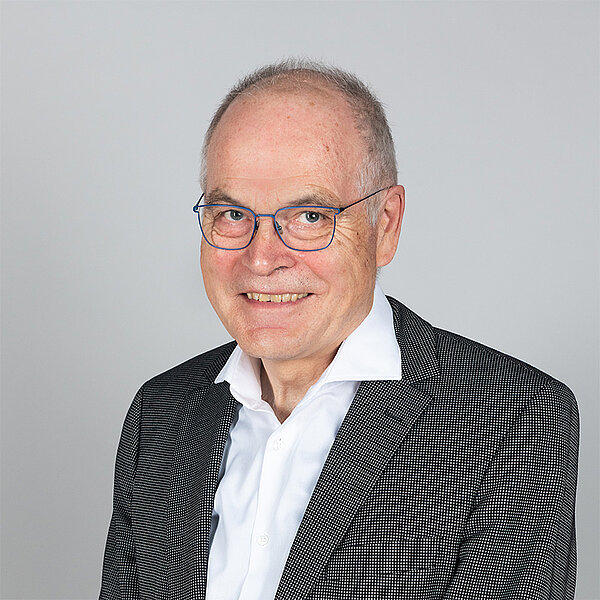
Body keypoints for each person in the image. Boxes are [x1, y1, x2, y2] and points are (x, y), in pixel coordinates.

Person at [99, 60, 579, 600]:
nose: (262, 258)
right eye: (232, 214)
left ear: (386, 225)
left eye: (310, 217)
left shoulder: (514, 417)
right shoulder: (160, 413)